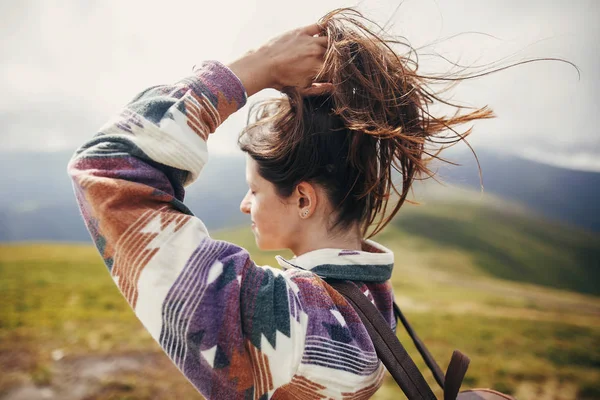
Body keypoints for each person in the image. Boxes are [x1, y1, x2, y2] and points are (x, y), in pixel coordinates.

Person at [67, 8, 494, 399]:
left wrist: (252, 69)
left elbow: (107, 165)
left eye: (255, 190)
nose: (244, 205)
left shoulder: (290, 323)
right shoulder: (373, 298)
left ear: (304, 198)